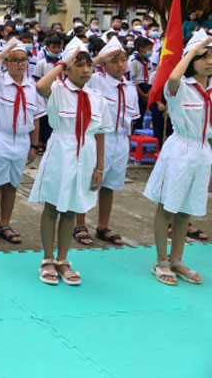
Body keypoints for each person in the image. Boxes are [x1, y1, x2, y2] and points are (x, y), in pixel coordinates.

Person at [29, 37, 112, 286]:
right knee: (53, 206)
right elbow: (40, 87)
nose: (86, 70)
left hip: (85, 154)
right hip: (61, 151)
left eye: (89, 65)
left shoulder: (97, 97)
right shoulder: (57, 90)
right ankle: (47, 258)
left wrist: (99, 167)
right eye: (79, 65)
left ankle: (63, 259)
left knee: (72, 208)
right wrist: (62, 63)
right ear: (66, 67)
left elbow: (100, 134)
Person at [144, 31, 212, 285]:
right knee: (168, 206)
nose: (209, 61)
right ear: (191, 59)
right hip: (180, 150)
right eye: (204, 57)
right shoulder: (181, 87)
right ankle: (161, 261)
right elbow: (173, 77)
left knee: (186, 210)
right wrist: (193, 49)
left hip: (202, 151)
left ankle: (177, 259)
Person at [0, 39, 44, 245]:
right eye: (14, 60)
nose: (20, 64)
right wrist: (2, 53)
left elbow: (36, 118)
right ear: (5, 62)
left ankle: (4, 223)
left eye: (23, 60)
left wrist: (34, 145)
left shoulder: (32, 87)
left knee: (11, 185)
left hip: (22, 140)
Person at [74, 37, 139, 246]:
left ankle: (102, 226)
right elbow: (83, 70)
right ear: (104, 64)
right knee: (88, 182)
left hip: (121, 140)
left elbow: (131, 120)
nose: (120, 65)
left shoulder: (130, 87)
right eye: (115, 61)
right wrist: (101, 56)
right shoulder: (97, 80)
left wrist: (127, 143)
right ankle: (80, 224)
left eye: (123, 60)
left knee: (109, 185)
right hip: (99, 138)